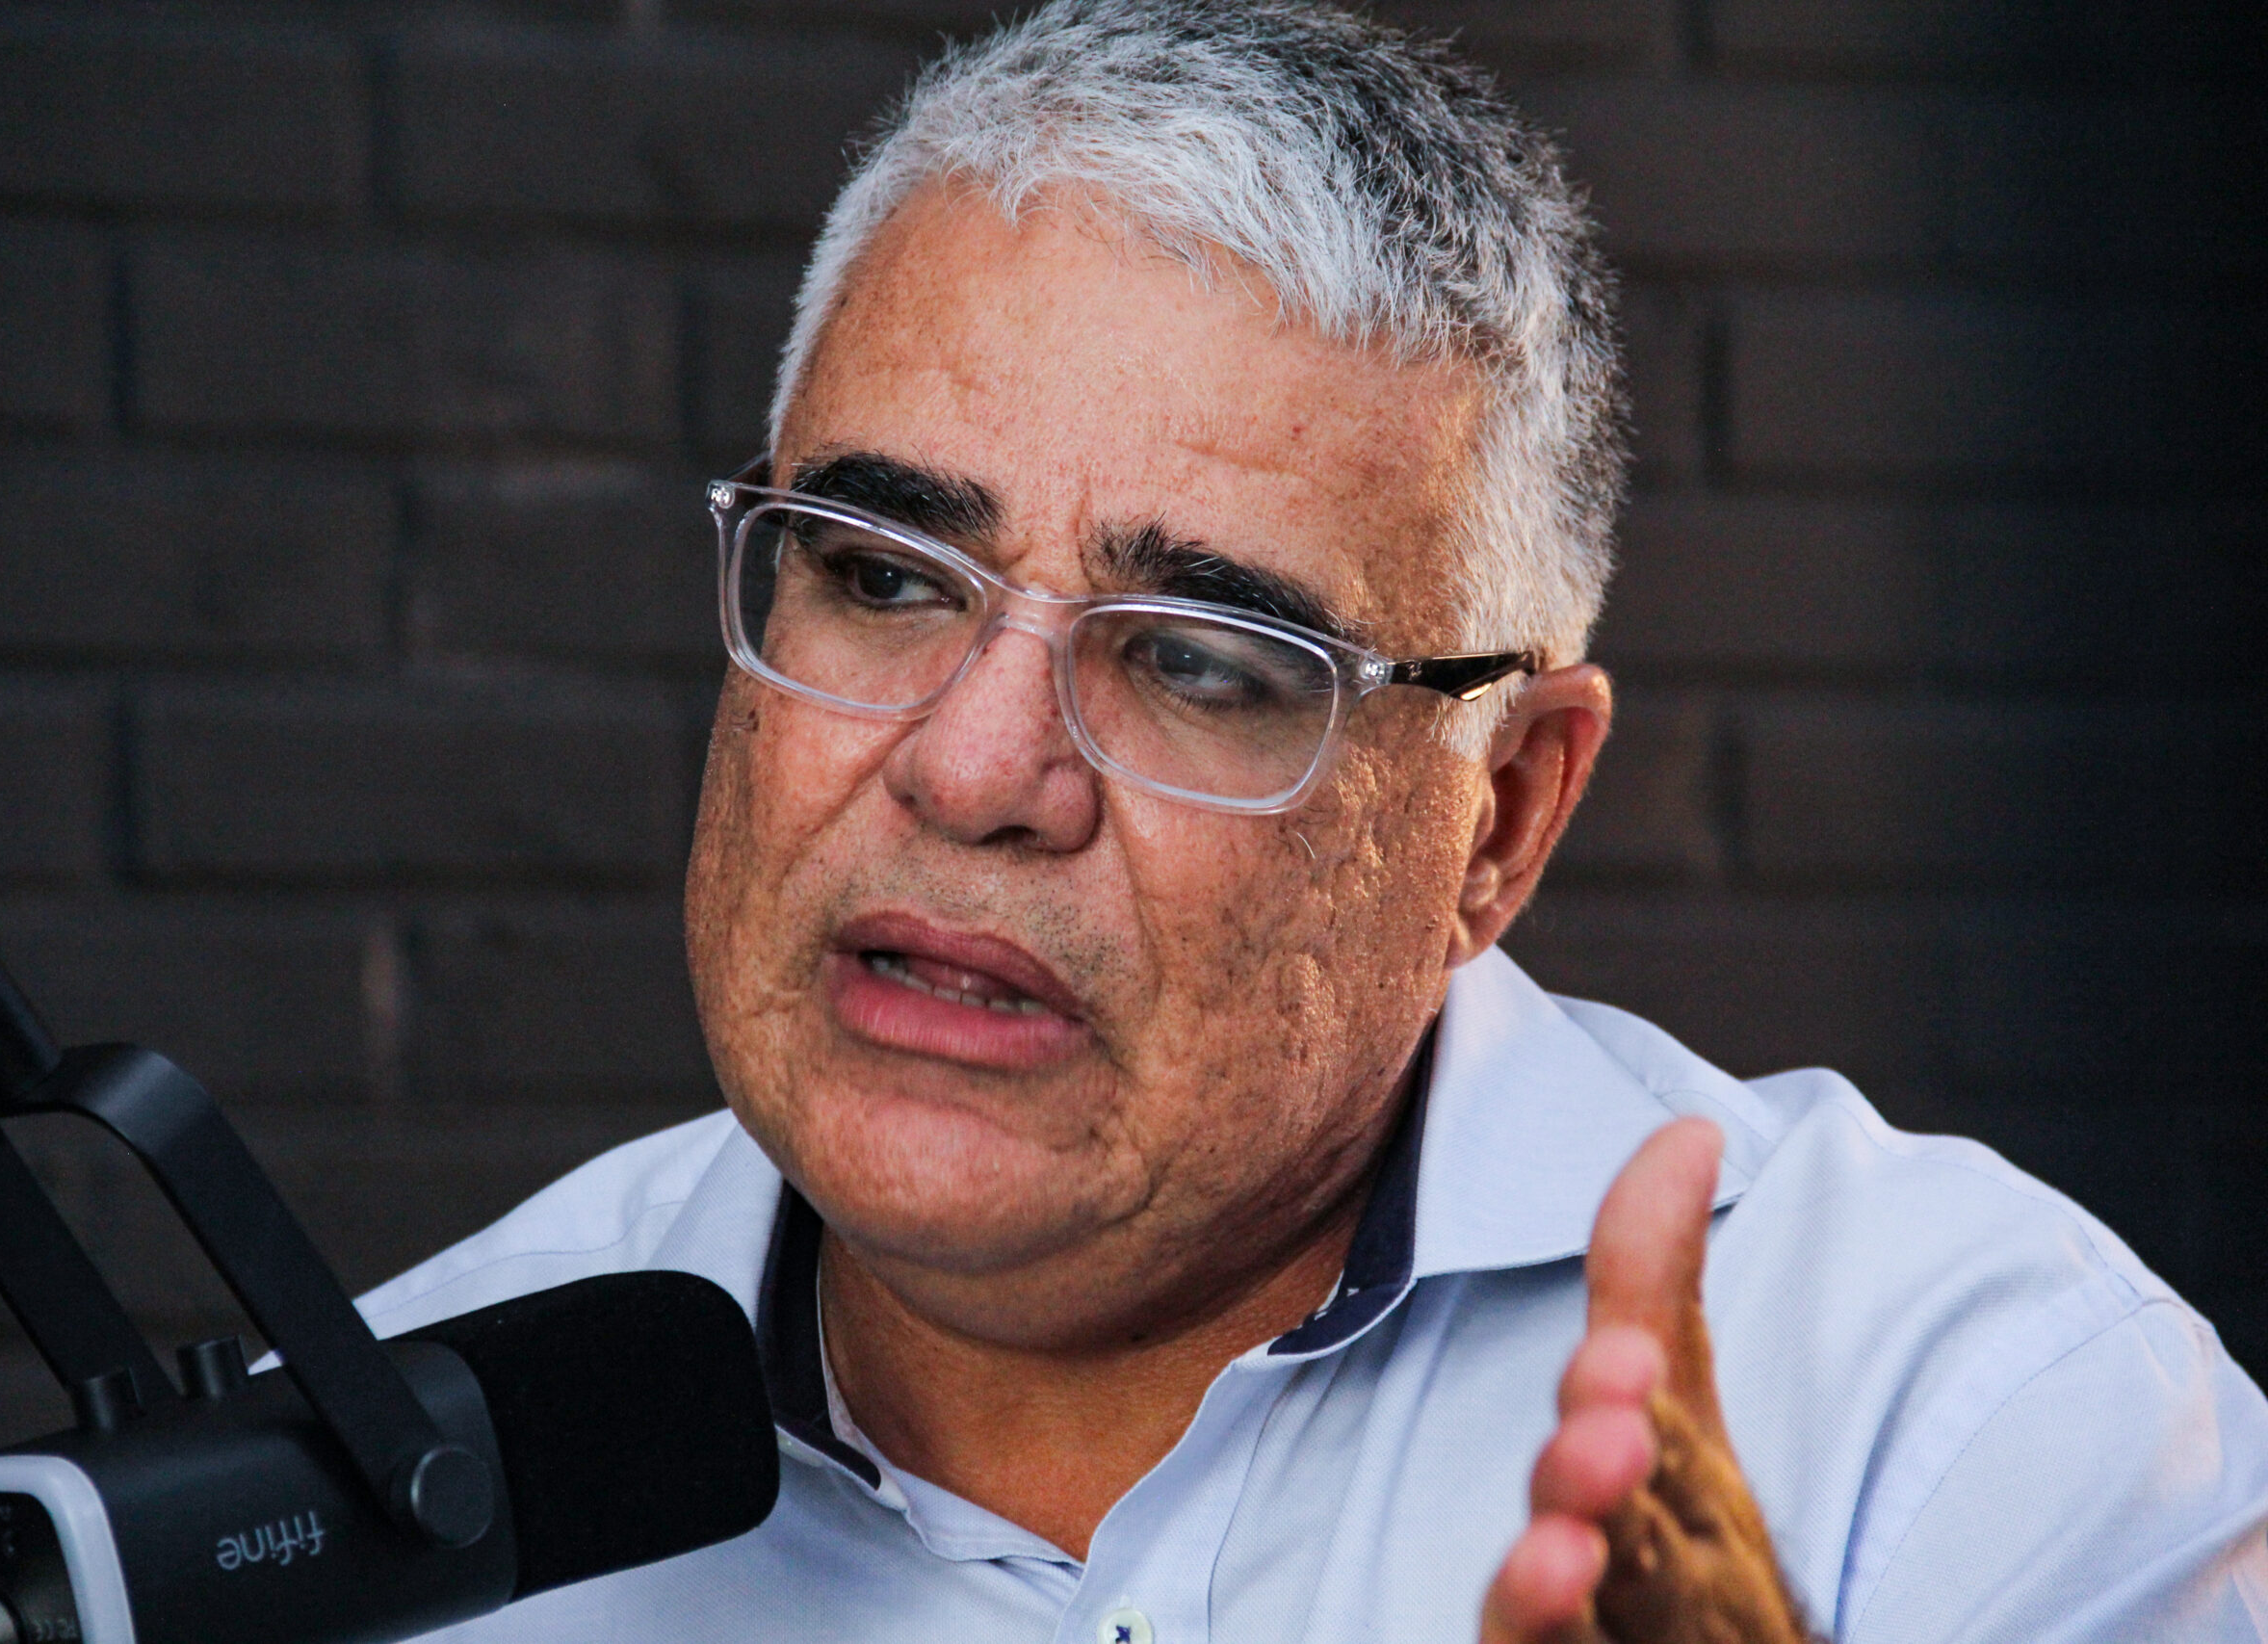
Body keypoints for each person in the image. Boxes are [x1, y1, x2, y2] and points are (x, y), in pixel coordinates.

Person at [364, 3, 2268, 1638]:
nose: (972, 772)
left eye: (1200, 663)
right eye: (879, 576)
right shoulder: (369, 1502)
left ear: (1500, 820)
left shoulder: (1967, 1423)